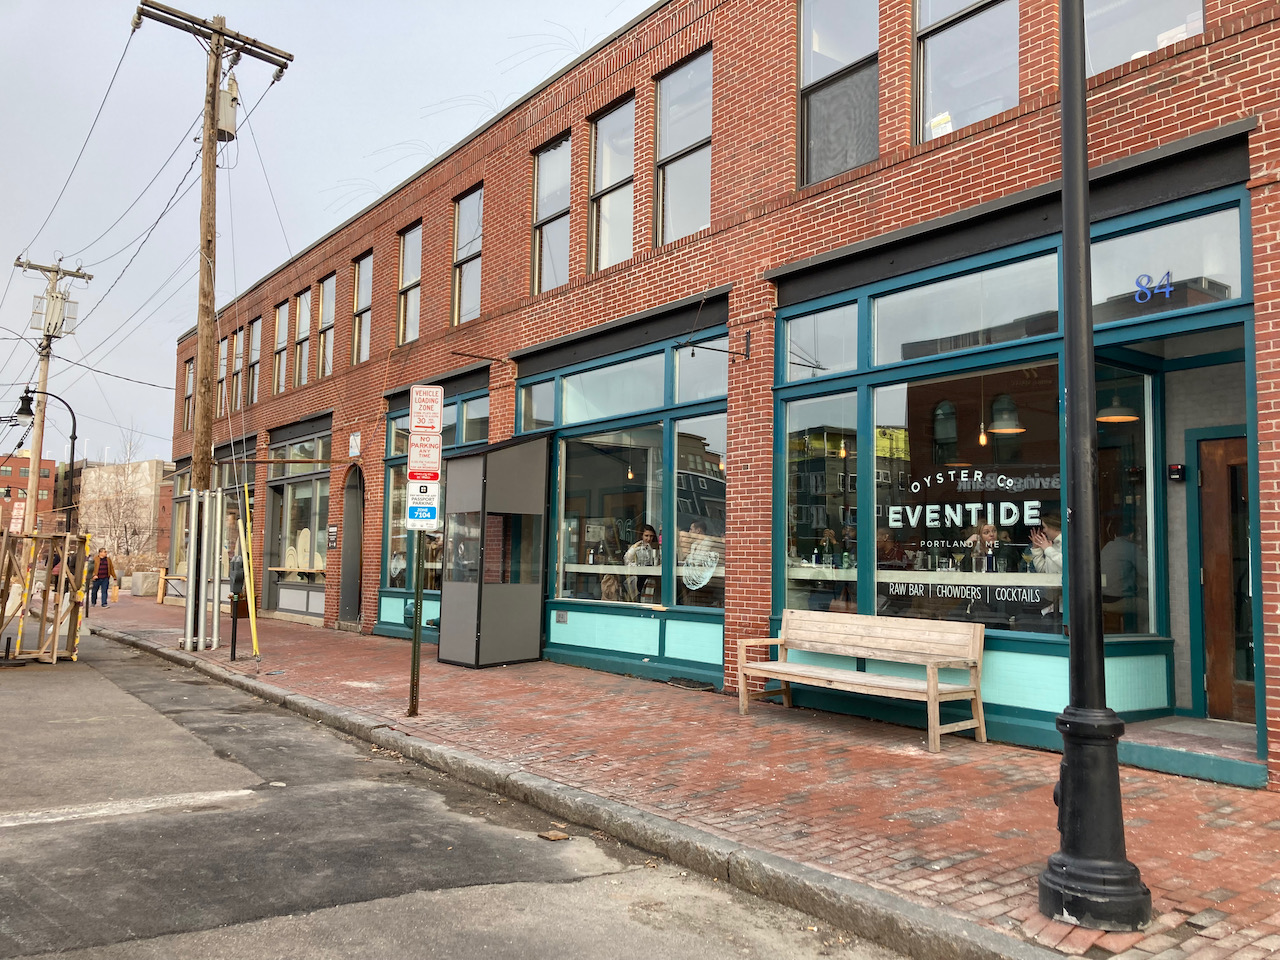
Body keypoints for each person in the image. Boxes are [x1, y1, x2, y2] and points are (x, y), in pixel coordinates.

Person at [624, 523, 660, 602]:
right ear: (641, 536)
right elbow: (627, 559)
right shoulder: (637, 546)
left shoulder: (656, 547)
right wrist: (634, 548)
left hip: (653, 576)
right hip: (639, 576)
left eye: (651, 536)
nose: (649, 538)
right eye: (646, 536)